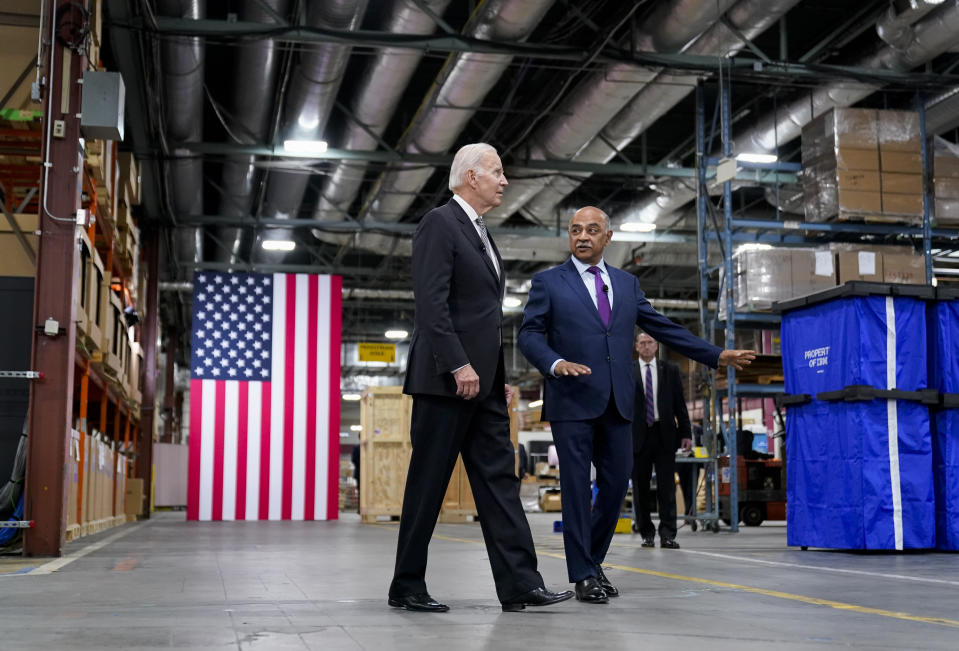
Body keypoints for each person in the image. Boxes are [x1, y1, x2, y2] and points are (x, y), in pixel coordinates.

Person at [517, 206, 755, 604]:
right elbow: (529, 334)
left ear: (607, 238)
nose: (583, 236)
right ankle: (583, 575)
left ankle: (592, 563)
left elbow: (662, 326)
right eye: (576, 230)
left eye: (592, 230)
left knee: (614, 489)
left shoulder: (626, 284)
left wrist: (715, 355)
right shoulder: (548, 283)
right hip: (571, 399)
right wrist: (555, 364)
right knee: (577, 490)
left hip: (618, 403)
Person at [388, 143, 573, 613]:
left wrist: (494, 373)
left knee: (500, 482)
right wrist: (458, 364)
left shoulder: (482, 234)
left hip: (484, 383)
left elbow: (481, 314)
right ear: (471, 177)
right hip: (444, 380)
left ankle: (520, 584)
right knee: (428, 483)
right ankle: (406, 585)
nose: (504, 180)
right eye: (497, 172)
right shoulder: (439, 223)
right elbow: (432, 305)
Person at [632, 332, 690, 549]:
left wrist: (686, 433)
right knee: (641, 488)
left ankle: (668, 534)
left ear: (656, 346)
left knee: (667, 487)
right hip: (637, 436)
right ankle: (646, 532)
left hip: (664, 434)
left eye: (650, 342)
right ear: (637, 347)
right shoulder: (628, 371)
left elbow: (680, 405)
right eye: (642, 343)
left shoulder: (670, 370)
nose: (646, 346)